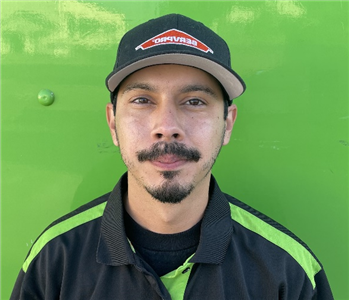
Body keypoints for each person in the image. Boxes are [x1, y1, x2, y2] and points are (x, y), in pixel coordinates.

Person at [11, 14, 333, 300]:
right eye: (142, 100)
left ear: (227, 124)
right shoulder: (54, 260)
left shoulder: (288, 269)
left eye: (194, 101)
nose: (167, 127)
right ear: (113, 122)